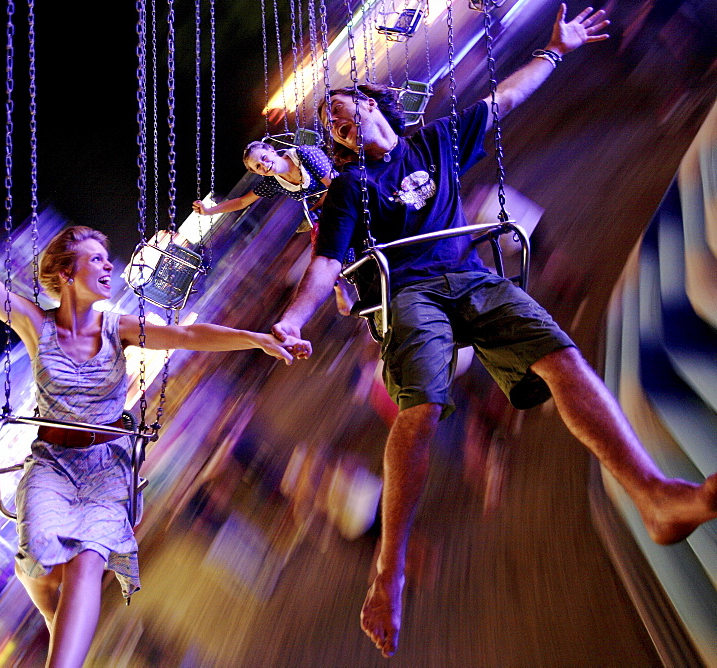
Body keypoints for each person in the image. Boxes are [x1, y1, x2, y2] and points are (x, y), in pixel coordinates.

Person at [270, 4, 717, 658]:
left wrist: (558, 49)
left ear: (375, 105)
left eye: (345, 108)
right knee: (419, 411)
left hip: (471, 275)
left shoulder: (437, 140)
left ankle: (652, 495)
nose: (340, 121)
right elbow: (324, 266)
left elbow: (504, 95)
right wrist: (290, 316)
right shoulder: (349, 190)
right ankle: (389, 570)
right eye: (332, 124)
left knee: (563, 363)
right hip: (413, 296)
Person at [0, 138, 307, 668]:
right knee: (38, 581)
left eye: (108, 259)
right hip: (49, 466)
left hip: (104, 466)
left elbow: (191, 334)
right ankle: (68, 632)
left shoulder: (120, 329)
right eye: (95, 260)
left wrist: (256, 338)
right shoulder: (35, 326)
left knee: (86, 557)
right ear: (65, 276)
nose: (109, 268)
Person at [192, 140, 335, 233]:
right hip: (329, 210)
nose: (264, 166)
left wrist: (315, 210)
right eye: (258, 167)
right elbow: (242, 202)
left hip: (346, 191)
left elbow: (335, 186)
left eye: (264, 158)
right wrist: (209, 211)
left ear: (272, 151)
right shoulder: (273, 182)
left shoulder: (304, 154)